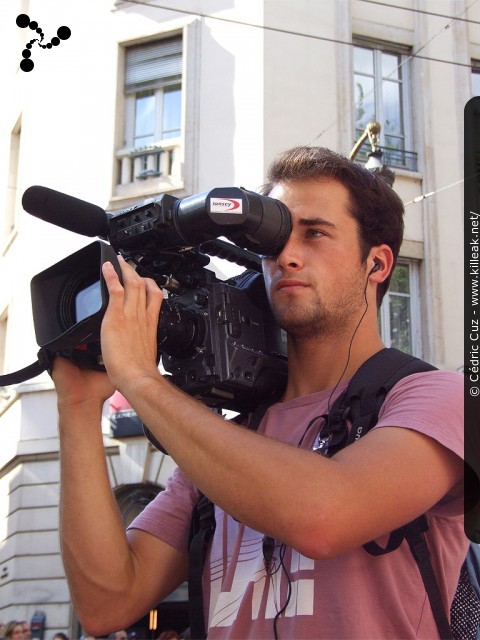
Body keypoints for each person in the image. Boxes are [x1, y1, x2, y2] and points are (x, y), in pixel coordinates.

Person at [52, 146, 465, 639]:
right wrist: (77, 405)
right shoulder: (223, 447)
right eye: (276, 240)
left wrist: (141, 379)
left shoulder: (436, 397)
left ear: (376, 264)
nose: (286, 255)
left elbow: (324, 518)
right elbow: (105, 603)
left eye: (315, 234)